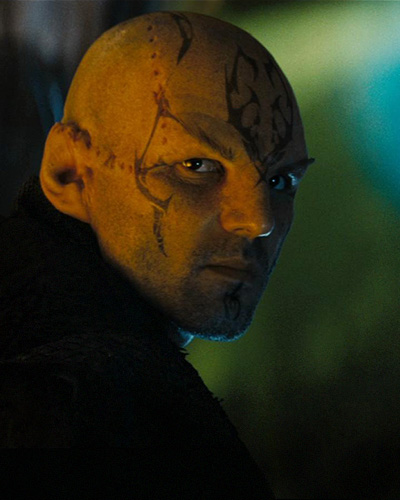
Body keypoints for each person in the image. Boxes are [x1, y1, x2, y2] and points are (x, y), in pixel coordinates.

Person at [0, 11, 313, 499]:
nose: (259, 220)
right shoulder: (98, 401)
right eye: (197, 165)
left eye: (281, 180)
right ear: (69, 173)